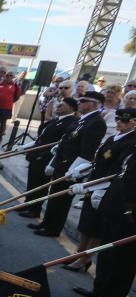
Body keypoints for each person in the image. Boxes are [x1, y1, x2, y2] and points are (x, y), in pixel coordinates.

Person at [61, 108, 136, 272]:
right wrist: (82, 170)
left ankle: (85, 258)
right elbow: (99, 159)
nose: (119, 123)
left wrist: (97, 187)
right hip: (95, 181)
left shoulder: (131, 142)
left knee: (96, 226)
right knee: (86, 222)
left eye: (124, 121)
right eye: (118, 119)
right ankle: (79, 253)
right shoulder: (113, 138)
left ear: (134, 123)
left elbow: (117, 171)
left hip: (108, 188)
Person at [30, 91, 107, 237]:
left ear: (94, 104)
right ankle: (46, 223)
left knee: (61, 200)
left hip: (71, 168)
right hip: (62, 163)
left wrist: (74, 170)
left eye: (83, 100)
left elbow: (87, 152)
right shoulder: (82, 119)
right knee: (53, 196)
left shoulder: (96, 122)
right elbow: (66, 141)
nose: (79, 103)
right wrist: (54, 162)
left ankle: (53, 228)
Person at [74, 131, 136, 297]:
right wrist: (95, 188)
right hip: (115, 207)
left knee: (122, 259)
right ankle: (99, 289)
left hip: (130, 215)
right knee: (106, 252)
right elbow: (118, 173)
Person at [16, 98, 78, 218]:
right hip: (38, 154)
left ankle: (35, 209)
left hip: (47, 157)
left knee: (40, 184)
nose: (59, 105)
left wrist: (52, 162)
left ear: (71, 108)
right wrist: (25, 146)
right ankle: (28, 203)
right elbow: (42, 137)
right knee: (32, 181)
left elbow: (61, 143)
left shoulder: (70, 122)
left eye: (62, 104)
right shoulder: (58, 120)